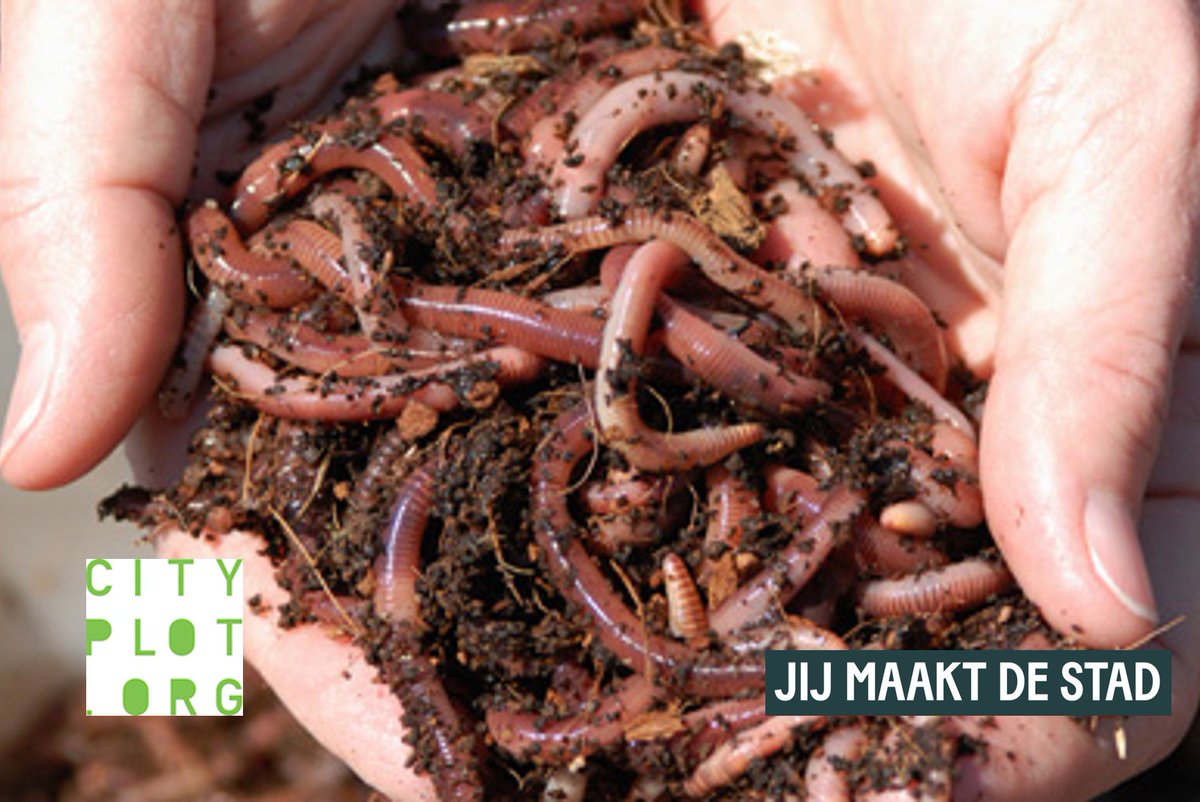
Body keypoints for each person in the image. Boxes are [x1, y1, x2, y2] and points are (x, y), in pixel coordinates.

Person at [1, 1, 1197, 797]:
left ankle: (162, 711)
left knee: (200, 532)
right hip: (218, 425)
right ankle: (149, 724)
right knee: (170, 549)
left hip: (372, 403)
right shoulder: (247, 292)